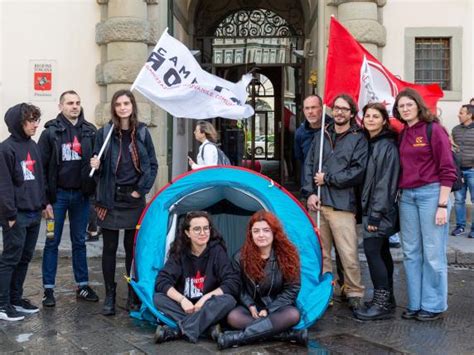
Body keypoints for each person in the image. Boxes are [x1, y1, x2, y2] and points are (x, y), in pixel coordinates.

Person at [90, 89, 158, 316]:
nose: (122, 107)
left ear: (132, 106)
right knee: (109, 248)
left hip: (133, 199)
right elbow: (96, 171)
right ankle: (110, 294)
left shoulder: (142, 133)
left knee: (132, 249)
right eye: (118, 104)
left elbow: (153, 166)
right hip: (110, 198)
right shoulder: (105, 133)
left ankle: (132, 293)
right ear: (114, 108)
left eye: (126, 103)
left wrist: (140, 191)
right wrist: (96, 166)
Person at [394, 88, 457, 321]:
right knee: (410, 252)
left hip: (432, 195)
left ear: (418, 106)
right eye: (401, 106)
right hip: (407, 197)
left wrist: (442, 205)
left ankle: (433, 305)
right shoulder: (402, 134)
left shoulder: (434, 130)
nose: (405, 108)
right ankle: (415, 302)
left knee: (433, 253)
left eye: (409, 104)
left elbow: (448, 170)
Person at [302, 93, 368, 311]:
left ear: (351, 113)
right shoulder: (322, 134)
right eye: (336, 108)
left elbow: (358, 171)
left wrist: (328, 179)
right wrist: (310, 192)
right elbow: (309, 165)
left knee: (348, 252)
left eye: (344, 109)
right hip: (318, 204)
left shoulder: (358, 137)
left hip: (342, 205)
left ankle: (354, 291)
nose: (339, 112)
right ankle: (325, 291)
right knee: (322, 253)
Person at [39, 90, 98, 307]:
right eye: (70, 103)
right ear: (60, 106)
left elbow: (99, 161)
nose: (75, 106)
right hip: (58, 197)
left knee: (79, 241)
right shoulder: (50, 133)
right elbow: (41, 169)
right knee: (52, 241)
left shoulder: (90, 132)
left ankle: (82, 285)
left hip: (81, 197)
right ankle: (48, 290)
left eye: (78, 103)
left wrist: (97, 166)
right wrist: (45, 201)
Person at [217, 210, 306, 350]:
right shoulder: (239, 257)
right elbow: (237, 286)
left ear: (274, 232)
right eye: (256, 231)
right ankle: (284, 334)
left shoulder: (288, 255)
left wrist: (269, 310)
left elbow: (292, 288)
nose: (261, 235)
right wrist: (250, 305)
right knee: (233, 317)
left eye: (266, 230)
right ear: (250, 234)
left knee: (293, 315)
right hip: (251, 307)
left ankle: (238, 338)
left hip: (277, 306)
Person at [153, 211, 239, 344]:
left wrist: (205, 298)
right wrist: (182, 300)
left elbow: (232, 282)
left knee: (229, 300)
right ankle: (207, 328)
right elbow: (162, 281)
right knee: (158, 298)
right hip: (185, 306)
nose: (203, 233)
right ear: (187, 233)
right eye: (197, 229)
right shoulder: (180, 252)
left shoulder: (217, 251)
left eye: (206, 228)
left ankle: (177, 331)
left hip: (209, 305)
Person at [294, 95, 344, 301]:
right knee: (318, 245)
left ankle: (345, 286)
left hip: (336, 192)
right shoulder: (300, 133)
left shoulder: (334, 128)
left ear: (321, 109)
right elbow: (300, 162)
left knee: (342, 246)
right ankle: (323, 287)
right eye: (307, 108)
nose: (311, 112)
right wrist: (307, 192)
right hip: (313, 193)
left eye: (315, 107)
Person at [352, 103, 399, 321]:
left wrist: (376, 215)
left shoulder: (386, 145)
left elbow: (385, 183)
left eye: (375, 116)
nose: (370, 119)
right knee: (381, 252)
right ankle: (386, 299)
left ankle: (381, 304)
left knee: (372, 251)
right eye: (367, 116)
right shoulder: (369, 142)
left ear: (384, 120)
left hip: (379, 210)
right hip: (371, 208)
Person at [0, 103, 45, 321]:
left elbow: (39, 177)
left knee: (25, 258)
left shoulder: (33, 146)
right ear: (19, 123)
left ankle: (16, 299)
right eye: (31, 120)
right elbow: (4, 185)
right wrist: (9, 215)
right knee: (10, 258)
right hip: (15, 215)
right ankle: (2, 303)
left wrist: (44, 203)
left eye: (37, 119)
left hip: (34, 212)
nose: (36, 124)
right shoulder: (5, 149)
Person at [451, 104, 474, 238]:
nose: (459, 114)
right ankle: (460, 227)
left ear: (469, 115)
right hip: (458, 171)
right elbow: (453, 147)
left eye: (461, 113)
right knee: (459, 200)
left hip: (472, 170)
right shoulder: (455, 130)